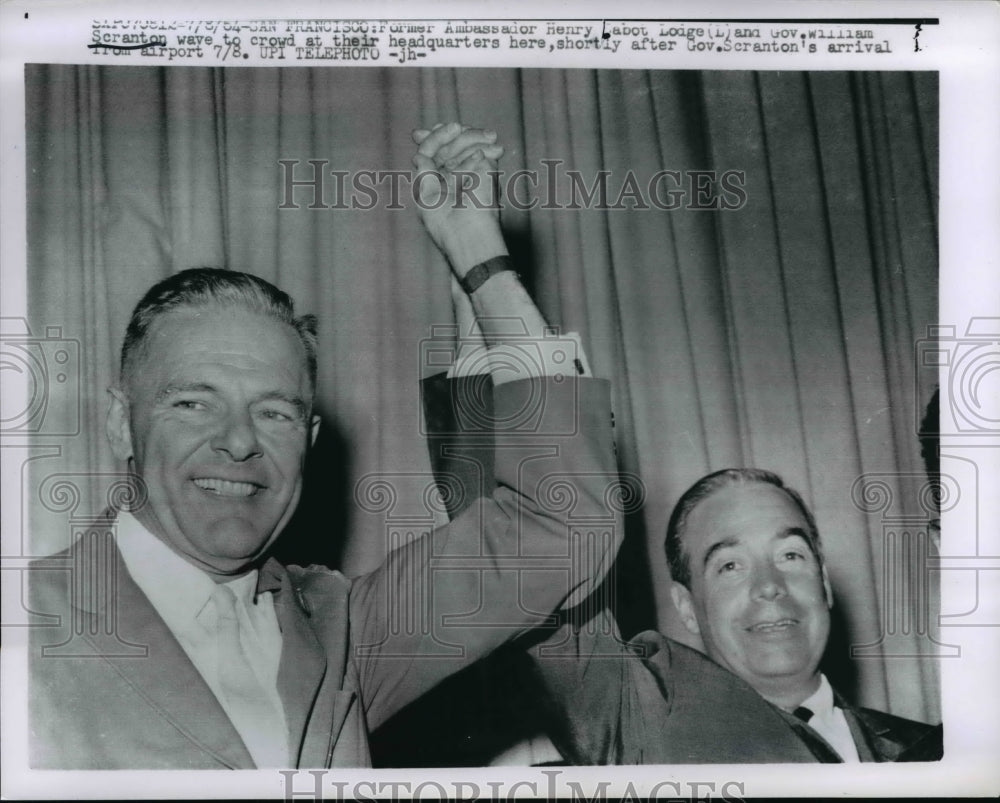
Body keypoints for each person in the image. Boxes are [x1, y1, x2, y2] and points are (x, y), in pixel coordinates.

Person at [28, 123, 621, 769]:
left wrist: (478, 261)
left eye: (275, 412)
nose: (238, 440)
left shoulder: (337, 626)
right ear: (121, 422)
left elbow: (567, 522)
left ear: (309, 439)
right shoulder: (29, 622)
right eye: (193, 402)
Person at [525, 467, 943, 763]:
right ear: (687, 607)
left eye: (790, 555)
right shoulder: (643, 737)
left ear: (825, 585)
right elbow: (545, 555)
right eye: (730, 565)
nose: (768, 585)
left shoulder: (940, 750)